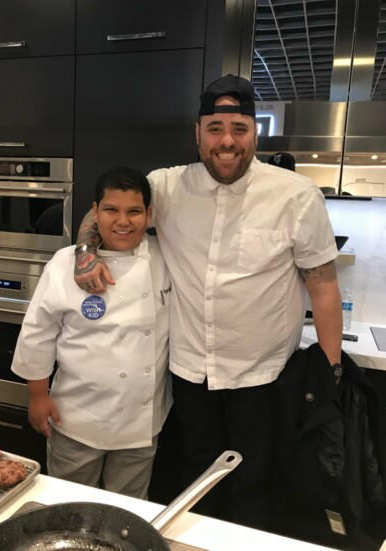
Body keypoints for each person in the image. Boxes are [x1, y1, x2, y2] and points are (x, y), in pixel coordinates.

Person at [73, 75, 343, 528]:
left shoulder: (296, 195)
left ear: (255, 133)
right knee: (195, 481)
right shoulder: (166, 186)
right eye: (215, 128)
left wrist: (330, 371)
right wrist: (85, 253)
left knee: (255, 486)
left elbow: (324, 285)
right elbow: (102, 210)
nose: (227, 142)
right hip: (190, 372)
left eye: (239, 128)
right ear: (197, 134)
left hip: (264, 376)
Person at [11, 166, 172, 499]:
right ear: (94, 211)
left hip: (140, 424)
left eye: (134, 212)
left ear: (150, 214)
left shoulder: (166, 258)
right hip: (75, 417)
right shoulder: (64, 263)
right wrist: (38, 395)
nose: (123, 221)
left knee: (128, 511)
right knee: (69, 506)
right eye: (111, 210)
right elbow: (37, 333)